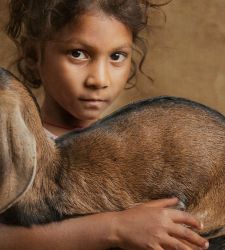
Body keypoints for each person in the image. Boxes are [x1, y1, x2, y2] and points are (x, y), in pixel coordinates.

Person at [0, 0, 209, 249]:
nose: (99, 79)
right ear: (34, 55)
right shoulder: (11, 147)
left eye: (117, 56)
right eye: (78, 53)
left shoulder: (138, 152)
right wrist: (114, 228)